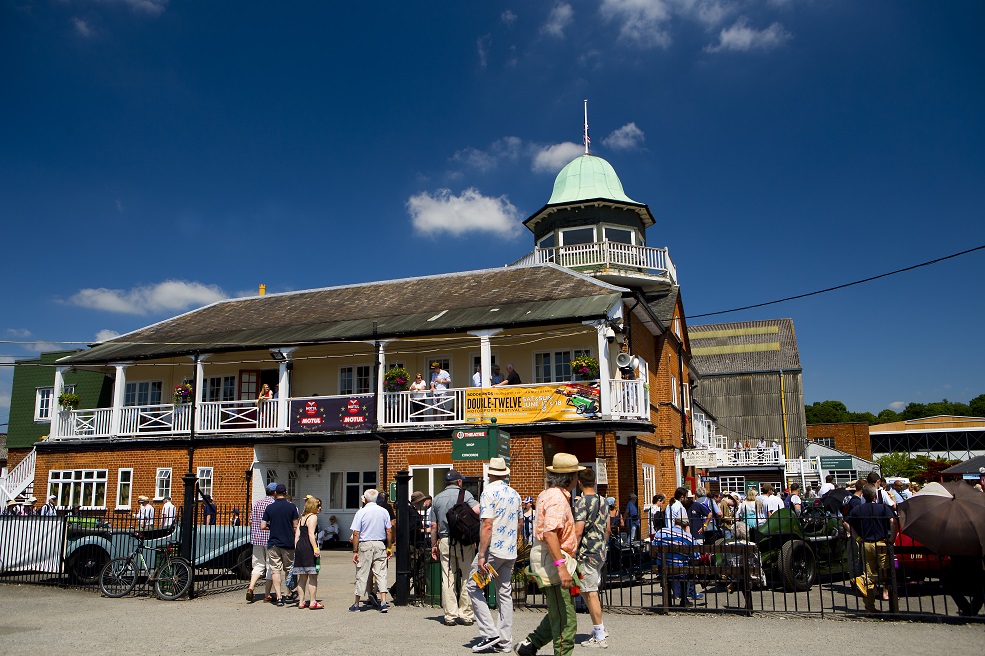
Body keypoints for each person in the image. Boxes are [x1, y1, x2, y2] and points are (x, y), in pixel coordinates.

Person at [513, 453, 583, 656]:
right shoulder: (557, 499)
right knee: (566, 619)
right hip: (554, 558)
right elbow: (550, 533)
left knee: (558, 612)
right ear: (569, 478)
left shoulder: (548, 494)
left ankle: (530, 645)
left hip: (551, 557)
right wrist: (561, 566)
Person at [466, 457, 521, 654]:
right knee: (504, 592)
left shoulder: (488, 492)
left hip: (493, 551)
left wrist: (481, 554)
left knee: (473, 587)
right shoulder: (515, 494)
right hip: (509, 550)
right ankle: (505, 640)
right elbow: (520, 523)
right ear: (505, 473)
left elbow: (487, 524)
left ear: (490, 473)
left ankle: (490, 633)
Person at [430, 469, 479, 626]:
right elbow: (478, 510)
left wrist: (433, 545)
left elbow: (433, 526)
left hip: (445, 541)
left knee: (448, 577)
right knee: (467, 576)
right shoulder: (466, 495)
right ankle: (465, 614)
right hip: (464, 541)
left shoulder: (437, 499)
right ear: (459, 482)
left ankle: (450, 615)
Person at [572, 467, 610, 648]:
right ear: (594, 481)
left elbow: (578, 530)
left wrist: (571, 551)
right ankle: (598, 628)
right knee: (588, 591)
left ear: (579, 482)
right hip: (600, 551)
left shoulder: (581, 503)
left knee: (590, 592)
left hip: (586, 552)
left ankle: (600, 633)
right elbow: (608, 528)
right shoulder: (604, 501)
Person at [847, 484, 898, 614]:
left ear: (863, 496)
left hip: (865, 543)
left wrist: (858, 539)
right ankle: (862, 579)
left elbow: (846, 523)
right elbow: (893, 521)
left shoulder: (858, 509)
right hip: (881, 542)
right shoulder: (883, 508)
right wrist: (892, 538)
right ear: (875, 496)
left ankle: (870, 608)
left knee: (869, 571)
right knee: (886, 574)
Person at [350, 488, 393, 613]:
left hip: (365, 544)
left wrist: (355, 551)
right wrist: (389, 546)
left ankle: (357, 603)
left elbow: (356, 533)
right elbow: (389, 530)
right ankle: (383, 602)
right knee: (381, 573)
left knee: (362, 573)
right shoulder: (384, 511)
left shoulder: (361, 512)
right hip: (380, 543)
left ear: (365, 498)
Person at [261, 483, 299, 606]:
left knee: (275, 570)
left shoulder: (270, 508)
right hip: (288, 542)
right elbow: (295, 526)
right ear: (286, 492)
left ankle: (278, 597)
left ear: (275, 493)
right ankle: (288, 594)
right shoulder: (292, 507)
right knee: (289, 569)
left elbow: (262, 525)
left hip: (273, 543)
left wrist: (271, 527)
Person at [651, 516, 697, 606]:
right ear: (686, 526)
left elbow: (653, 553)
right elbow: (696, 558)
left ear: (674, 523)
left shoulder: (661, 532)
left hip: (663, 570)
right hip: (681, 571)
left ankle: (667, 602)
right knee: (687, 570)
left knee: (669, 571)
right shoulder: (688, 537)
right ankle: (684, 599)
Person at [246, 483, 277, 603]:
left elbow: (251, 520)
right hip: (270, 538)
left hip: (257, 538)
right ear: (274, 492)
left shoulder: (258, 503)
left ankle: (251, 587)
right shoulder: (273, 505)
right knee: (270, 565)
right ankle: (267, 594)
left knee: (258, 564)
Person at [294, 496, 323, 609]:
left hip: (301, 545)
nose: (320, 508)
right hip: (308, 546)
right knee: (313, 575)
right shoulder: (313, 517)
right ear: (312, 506)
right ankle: (313, 601)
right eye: (318, 506)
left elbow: (297, 535)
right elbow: (311, 534)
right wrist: (315, 548)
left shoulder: (302, 518)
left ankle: (301, 602)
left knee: (302, 576)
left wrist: (296, 548)